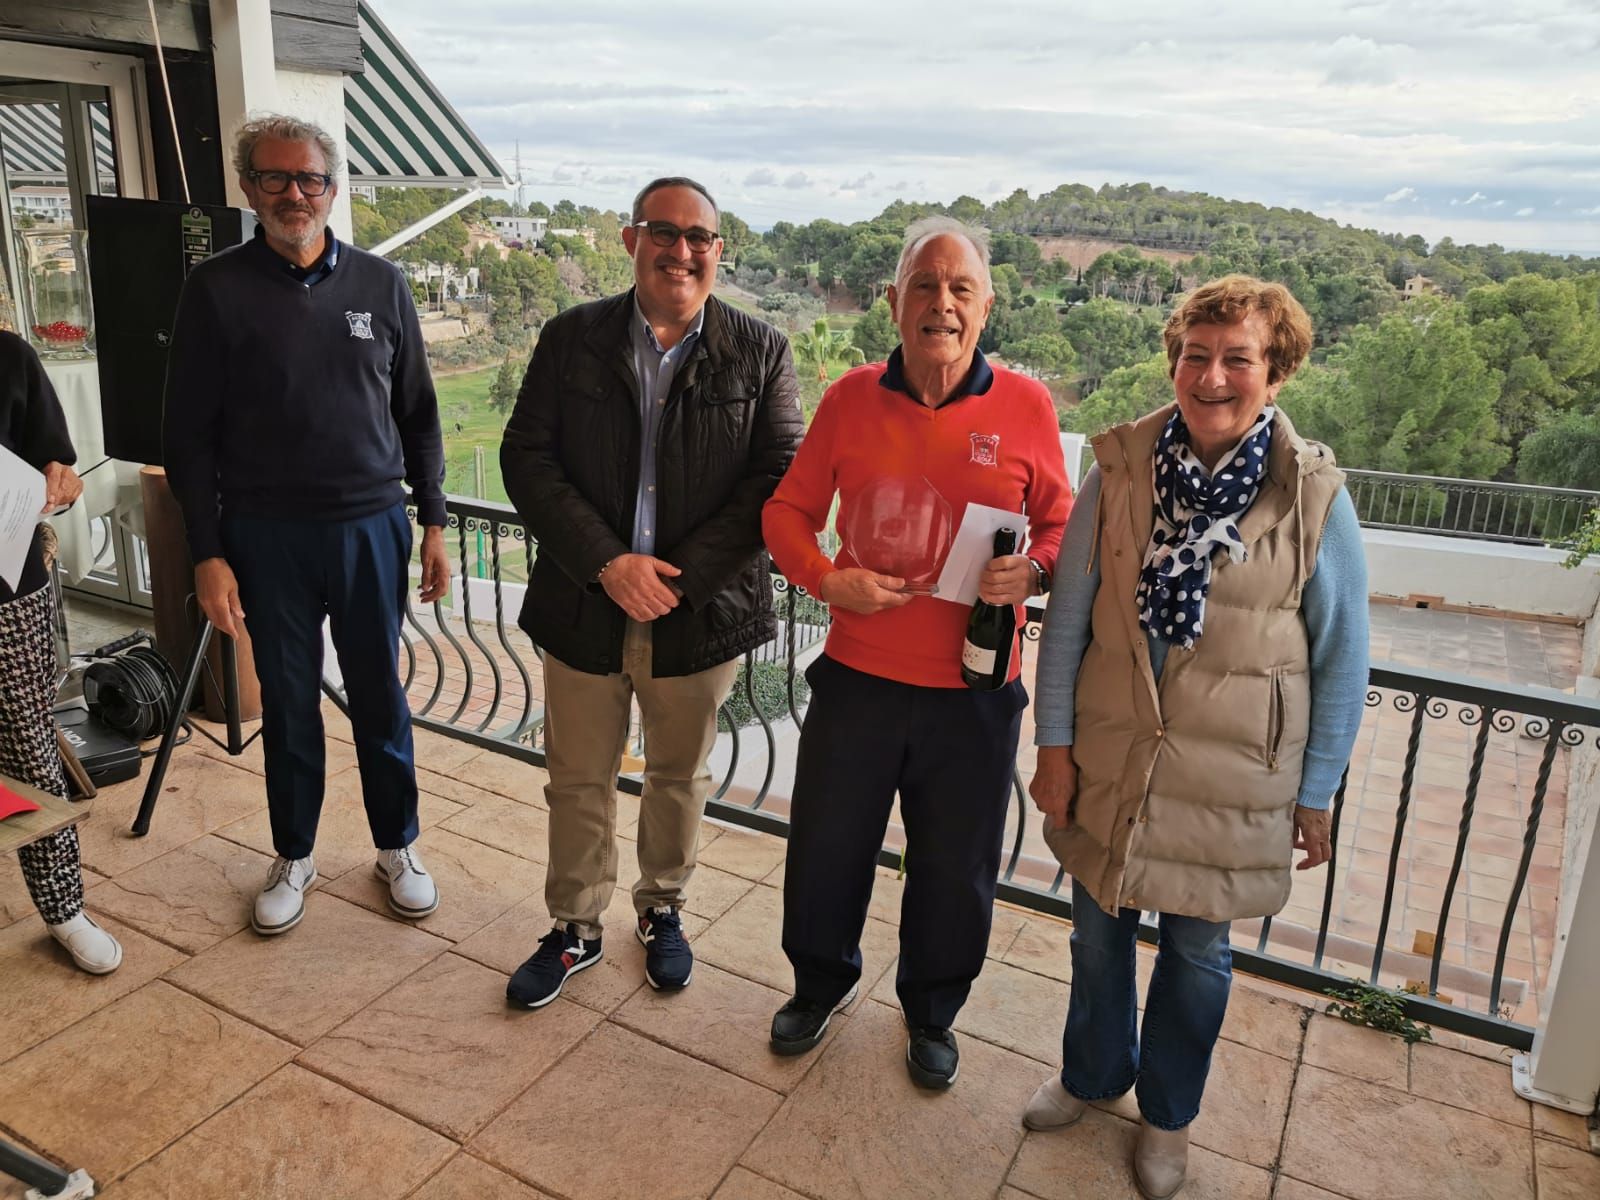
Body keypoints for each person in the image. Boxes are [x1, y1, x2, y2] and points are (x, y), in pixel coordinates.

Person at [1022, 275, 1369, 1197]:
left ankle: (1168, 1118)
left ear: (1276, 370)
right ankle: (1093, 1075)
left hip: (1233, 780)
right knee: (1095, 938)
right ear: (1174, 360)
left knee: (1198, 957)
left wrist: (1318, 790)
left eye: (1238, 359)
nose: (1213, 376)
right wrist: (1052, 748)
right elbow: (1067, 624)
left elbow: (1342, 658)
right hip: (1115, 758)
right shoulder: (1121, 470)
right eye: (1196, 355)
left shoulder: (1315, 500)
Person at [762, 217, 1071, 1089]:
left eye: (960, 289)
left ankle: (933, 1013)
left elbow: (1061, 519)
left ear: (986, 307)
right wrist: (828, 580)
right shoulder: (850, 398)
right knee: (827, 848)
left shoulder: (1027, 406)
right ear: (895, 304)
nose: (942, 303)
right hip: (858, 677)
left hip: (974, 692)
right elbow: (785, 515)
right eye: (925, 288)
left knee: (956, 867)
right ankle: (818, 986)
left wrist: (1035, 569)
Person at [499, 176, 803, 1007]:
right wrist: (608, 563)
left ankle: (662, 909)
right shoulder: (572, 339)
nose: (682, 250)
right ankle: (574, 926)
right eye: (663, 232)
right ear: (632, 240)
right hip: (584, 599)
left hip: (697, 611)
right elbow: (527, 457)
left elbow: (776, 479)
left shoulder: (760, 349)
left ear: (718, 249)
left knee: (680, 775)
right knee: (577, 776)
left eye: (699, 236)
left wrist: (677, 579)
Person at [164, 115, 450, 937]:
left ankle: (398, 844)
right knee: (288, 704)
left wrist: (432, 523)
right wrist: (208, 553)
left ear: (333, 187)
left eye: (311, 179)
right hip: (265, 536)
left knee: (380, 697)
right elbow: (188, 436)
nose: (296, 193)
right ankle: (294, 852)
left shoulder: (382, 285)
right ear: (248, 188)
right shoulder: (215, 290)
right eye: (277, 178)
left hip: (370, 528)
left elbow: (419, 416)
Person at [1, 330, 121, 973]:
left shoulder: (10, 357)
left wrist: (61, 481)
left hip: (7, 590)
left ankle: (63, 909)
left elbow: (60, 471)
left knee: (27, 751)